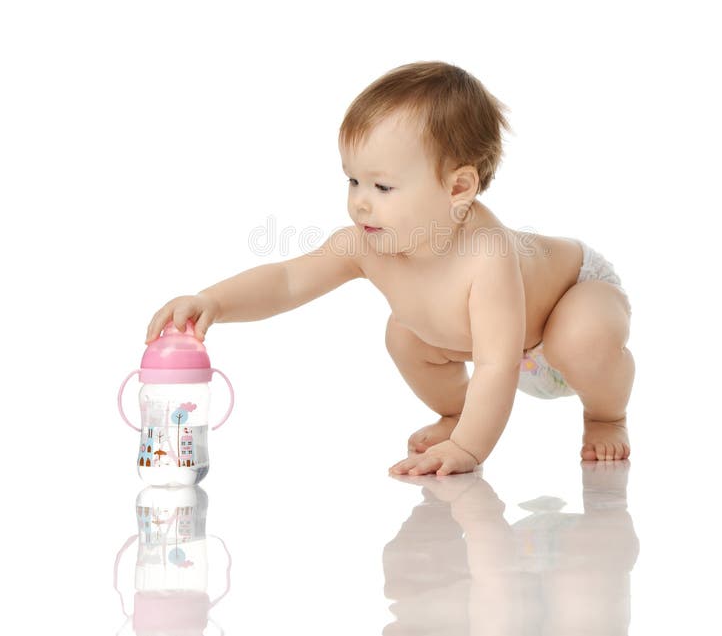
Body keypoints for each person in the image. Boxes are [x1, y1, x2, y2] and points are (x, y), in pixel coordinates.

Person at [145, 61, 634, 476]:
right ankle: (457, 412)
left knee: (580, 340)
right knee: (403, 334)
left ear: (458, 189)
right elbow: (289, 280)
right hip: (495, 352)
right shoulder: (368, 245)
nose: (360, 203)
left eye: (382, 188)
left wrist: (469, 449)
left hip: (570, 298)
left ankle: (607, 414)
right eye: (353, 180)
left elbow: (496, 364)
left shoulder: (487, 255)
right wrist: (213, 301)